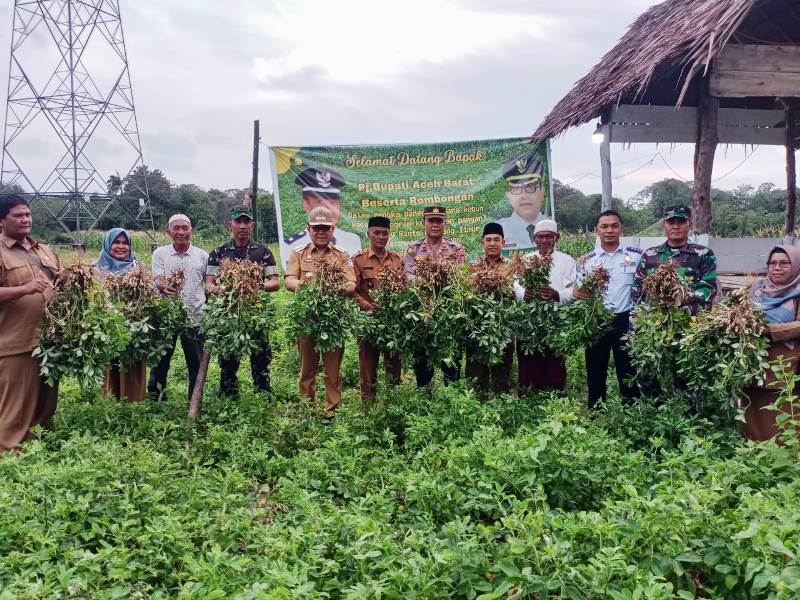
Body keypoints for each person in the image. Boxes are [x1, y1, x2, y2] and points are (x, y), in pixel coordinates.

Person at [0, 194, 60, 452]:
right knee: (17, 404)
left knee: (46, 400)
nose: (26, 219)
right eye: (18, 215)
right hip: (15, 341)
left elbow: (57, 282)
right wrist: (25, 288)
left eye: (28, 214)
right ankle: (10, 452)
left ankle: (37, 448)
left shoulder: (44, 249)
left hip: (49, 340)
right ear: (2, 220)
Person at [285, 206, 356, 418]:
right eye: (316, 228)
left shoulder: (342, 256)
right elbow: (289, 280)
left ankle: (331, 412)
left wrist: (336, 289)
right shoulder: (299, 253)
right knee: (307, 369)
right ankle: (308, 410)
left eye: (325, 228)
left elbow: (351, 283)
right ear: (309, 229)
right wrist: (309, 289)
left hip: (333, 322)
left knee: (332, 371)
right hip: (307, 321)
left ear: (333, 229)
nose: (321, 232)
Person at [206, 205, 279, 397]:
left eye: (246, 221)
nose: (242, 226)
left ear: (252, 225)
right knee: (228, 358)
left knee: (261, 357)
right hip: (229, 312)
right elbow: (209, 284)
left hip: (255, 311)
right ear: (230, 224)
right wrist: (222, 290)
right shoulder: (218, 252)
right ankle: (228, 396)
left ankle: (263, 395)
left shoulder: (263, 251)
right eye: (238, 221)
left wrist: (256, 288)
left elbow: (274, 281)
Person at [574, 211, 642, 408]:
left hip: (625, 322)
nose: (609, 230)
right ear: (597, 230)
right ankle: (596, 411)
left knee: (628, 369)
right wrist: (579, 293)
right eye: (604, 226)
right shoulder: (587, 261)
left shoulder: (635, 257)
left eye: (614, 226)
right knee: (595, 370)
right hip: (597, 321)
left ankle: (631, 412)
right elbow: (580, 292)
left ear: (621, 229)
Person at [147, 214, 209, 402]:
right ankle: (156, 400)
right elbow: (158, 278)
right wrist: (162, 286)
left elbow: (209, 284)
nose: (181, 232)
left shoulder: (202, 255)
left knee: (196, 365)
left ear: (191, 231)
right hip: (168, 318)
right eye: (176, 228)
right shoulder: (160, 254)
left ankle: (195, 401)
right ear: (168, 232)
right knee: (160, 363)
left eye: (185, 228)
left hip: (195, 317)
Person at [404, 206, 466, 387]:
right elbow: (408, 277)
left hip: (448, 313)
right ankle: (424, 399)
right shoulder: (413, 249)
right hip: (422, 311)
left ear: (445, 223)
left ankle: (452, 398)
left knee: (450, 359)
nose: (435, 224)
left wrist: (442, 280)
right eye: (431, 220)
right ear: (423, 223)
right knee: (422, 361)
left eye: (439, 221)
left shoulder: (456, 249)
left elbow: (460, 276)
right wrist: (428, 281)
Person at [744, 245, 800, 441]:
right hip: (753, 362)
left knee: (781, 413)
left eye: (784, 263)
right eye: (772, 263)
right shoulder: (757, 288)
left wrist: (768, 330)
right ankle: (752, 457)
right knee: (752, 411)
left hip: (784, 365)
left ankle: (781, 461)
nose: (777, 267)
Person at [514, 219, 576, 391]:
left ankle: (553, 397)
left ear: (557, 238)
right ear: (534, 239)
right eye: (540, 237)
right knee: (529, 361)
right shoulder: (526, 260)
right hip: (530, 321)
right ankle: (528, 396)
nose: (544, 241)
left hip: (555, 321)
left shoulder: (566, 261)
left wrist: (556, 294)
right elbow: (516, 285)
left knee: (554, 361)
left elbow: (572, 290)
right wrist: (523, 293)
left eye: (549, 237)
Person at [353, 215, 403, 402]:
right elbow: (353, 290)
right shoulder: (358, 260)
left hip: (392, 322)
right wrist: (365, 304)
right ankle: (368, 404)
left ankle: (393, 402)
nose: (381, 237)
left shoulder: (397, 260)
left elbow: (403, 287)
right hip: (369, 322)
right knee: (367, 366)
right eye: (377, 233)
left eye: (385, 233)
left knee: (394, 364)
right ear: (368, 234)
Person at [631, 205, 717, 314]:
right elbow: (637, 289)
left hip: (689, 322)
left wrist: (681, 299)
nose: (676, 226)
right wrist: (636, 318)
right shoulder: (649, 254)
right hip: (653, 321)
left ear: (690, 225)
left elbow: (708, 289)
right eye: (671, 222)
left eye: (681, 222)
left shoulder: (704, 255)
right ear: (664, 226)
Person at [94, 228, 148, 402]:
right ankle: (110, 401)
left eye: (125, 243)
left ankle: (133, 403)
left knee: (132, 363)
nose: (121, 246)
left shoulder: (138, 267)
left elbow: (150, 295)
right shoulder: (96, 268)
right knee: (110, 364)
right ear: (108, 244)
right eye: (116, 242)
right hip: (108, 327)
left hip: (135, 327)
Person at [465, 222, 514, 394]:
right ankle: (478, 404)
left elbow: (516, 292)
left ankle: (501, 405)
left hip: (503, 326)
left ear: (503, 242)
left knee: (502, 369)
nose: (492, 243)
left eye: (496, 239)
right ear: (482, 243)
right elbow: (467, 292)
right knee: (476, 371)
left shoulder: (512, 266)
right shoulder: (473, 267)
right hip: (478, 325)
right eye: (488, 240)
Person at [279, 165, 361, 266]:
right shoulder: (291, 246)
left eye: (333, 203)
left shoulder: (353, 241)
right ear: (306, 204)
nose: (328, 211)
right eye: (320, 203)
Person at [496, 151, 547, 250]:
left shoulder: (551, 226)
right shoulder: (498, 231)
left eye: (531, 187)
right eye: (516, 189)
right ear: (508, 195)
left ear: (542, 191)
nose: (524, 195)